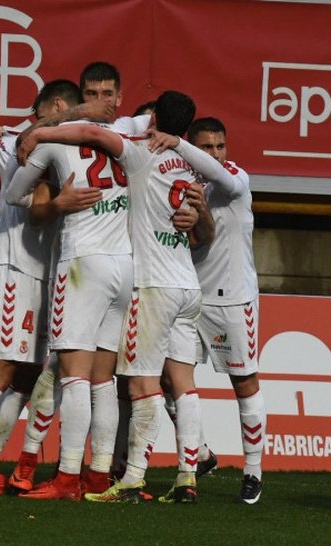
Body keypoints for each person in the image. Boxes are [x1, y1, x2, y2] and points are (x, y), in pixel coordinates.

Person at [20, 91, 246, 503]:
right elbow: (209, 216)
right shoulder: (193, 168)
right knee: (183, 384)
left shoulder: (141, 152)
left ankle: (132, 480)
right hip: (187, 285)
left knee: (141, 384)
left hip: (152, 284)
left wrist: (40, 132)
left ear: (155, 116)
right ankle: (186, 477)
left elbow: (92, 132)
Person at [0, 80, 102, 494]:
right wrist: (60, 205)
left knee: (27, 374)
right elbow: (36, 208)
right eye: (82, 109)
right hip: (15, 267)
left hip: (45, 272)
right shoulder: (21, 138)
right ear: (62, 107)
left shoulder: (42, 137)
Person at [4, 97, 138, 501]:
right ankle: (98, 478)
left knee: (74, 375)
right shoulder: (121, 138)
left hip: (82, 265)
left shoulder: (50, 143)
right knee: (103, 379)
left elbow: (13, 195)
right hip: (124, 265)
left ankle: (65, 480)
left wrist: (55, 203)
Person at [184, 117, 267, 505]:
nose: (215, 154)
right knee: (172, 378)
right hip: (187, 296)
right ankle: (200, 454)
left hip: (233, 299)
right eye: (206, 147)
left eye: (220, 146)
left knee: (244, 383)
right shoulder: (177, 183)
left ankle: (253, 471)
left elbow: (224, 177)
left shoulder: (235, 179)